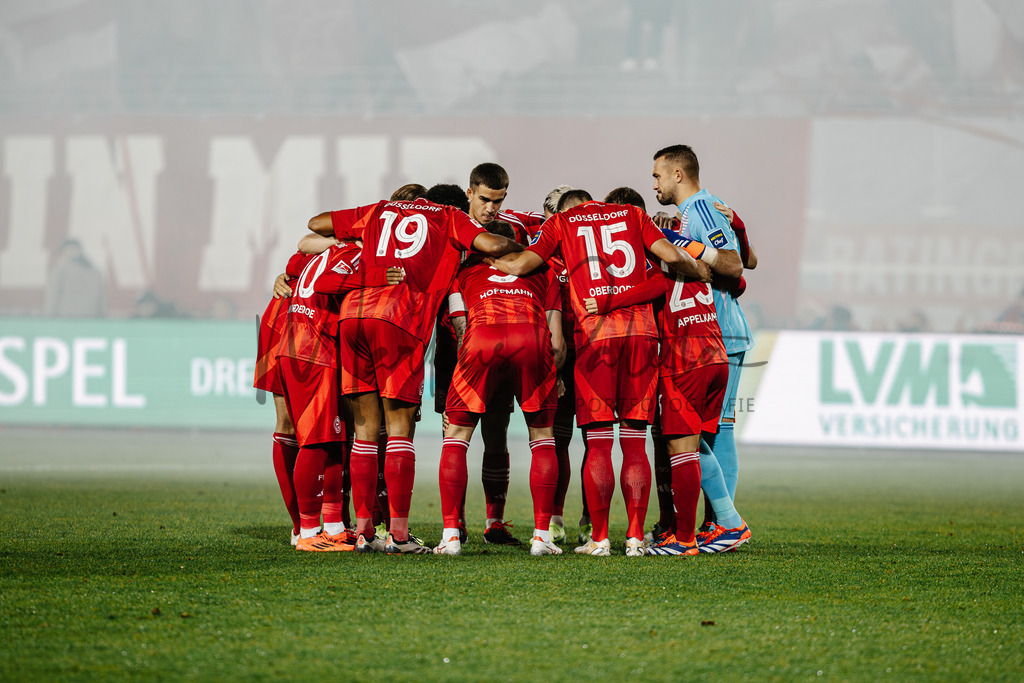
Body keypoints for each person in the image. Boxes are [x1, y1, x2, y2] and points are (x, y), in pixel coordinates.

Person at [490, 188, 710, 557]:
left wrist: (491, 262)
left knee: (599, 443)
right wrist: (699, 270)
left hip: (596, 340)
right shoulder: (632, 215)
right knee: (635, 442)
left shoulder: (562, 222)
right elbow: (671, 257)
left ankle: (601, 538)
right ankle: (635, 538)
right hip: (641, 336)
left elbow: (522, 265)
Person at [306, 186, 523, 554]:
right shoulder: (449, 217)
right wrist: (524, 250)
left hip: (353, 316)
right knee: (399, 431)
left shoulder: (379, 210)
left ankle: (364, 533)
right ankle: (399, 536)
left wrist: (361, 244)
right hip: (399, 319)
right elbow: (493, 244)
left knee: (364, 433)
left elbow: (316, 223)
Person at [585, 187, 731, 555]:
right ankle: (711, 524)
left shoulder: (646, 254)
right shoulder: (677, 241)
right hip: (715, 352)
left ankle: (687, 539)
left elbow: (657, 284)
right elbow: (738, 281)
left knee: (682, 451)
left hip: (683, 358)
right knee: (695, 447)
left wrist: (608, 301)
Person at [434, 220, 566, 556]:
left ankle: (450, 536)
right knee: (542, 437)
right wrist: (556, 374)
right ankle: (542, 537)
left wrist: (460, 384)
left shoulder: (464, 270)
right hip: (531, 340)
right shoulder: (544, 271)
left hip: (482, 339)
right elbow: (557, 343)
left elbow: (460, 327)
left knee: (457, 435)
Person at [652, 144, 753, 551]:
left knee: (702, 435)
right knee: (715, 431)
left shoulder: (702, 209)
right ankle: (721, 524)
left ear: (678, 174)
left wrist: (683, 244)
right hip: (719, 333)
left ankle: (728, 523)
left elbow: (734, 265)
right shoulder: (699, 211)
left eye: (658, 175)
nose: (654, 183)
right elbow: (749, 260)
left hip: (719, 332)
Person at [275, 241, 403, 551]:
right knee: (316, 441)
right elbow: (325, 282)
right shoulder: (353, 254)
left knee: (334, 438)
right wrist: (379, 277)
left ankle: (333, 527)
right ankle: (307, 532)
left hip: (305, 345)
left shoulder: (328, 252)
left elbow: (295, 264)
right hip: (312, 349)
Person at [44, 238, 106, 318]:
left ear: (66, 252)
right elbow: (102, 305)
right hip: (91, 322)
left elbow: (52, 300)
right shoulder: (96, 272)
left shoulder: (60, 270)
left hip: (66, 322)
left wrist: (48, 321)